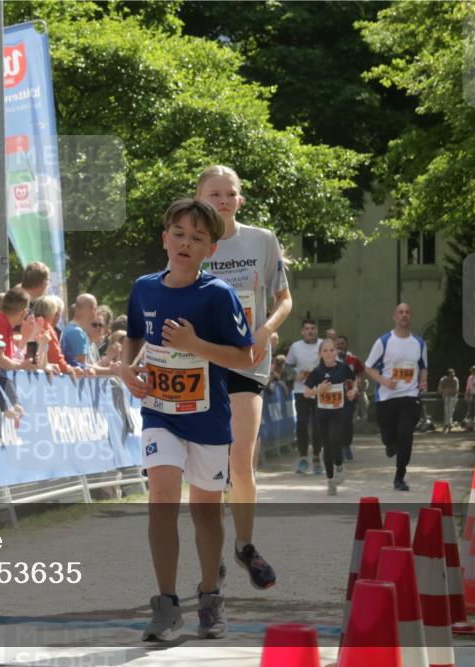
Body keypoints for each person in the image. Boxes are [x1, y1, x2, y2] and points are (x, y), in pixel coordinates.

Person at [120, 198, 254, 641]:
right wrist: (127, 368)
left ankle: (211, 597)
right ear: (165, 239)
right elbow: (135, 334)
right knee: (161, 495)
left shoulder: (217, 295)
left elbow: (244, 356)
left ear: (209, 250)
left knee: (206, 513)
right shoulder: (144, 288)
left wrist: (196, 346)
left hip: (208, 420)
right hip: (160, 413)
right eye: (179, 233)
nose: (185, 243)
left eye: (197, 238)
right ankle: (165, 605)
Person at [194, 164, 291, 589]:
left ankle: (245, 545)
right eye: (214, 194)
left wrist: (266, 329)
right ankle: (211, 554)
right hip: (200, 363)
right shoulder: (190, 240)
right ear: (199, 199)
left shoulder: (262, 241)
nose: (222, 200)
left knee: (240, 461)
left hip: (248, 359)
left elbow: (285, 299)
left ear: (240, 200)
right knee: (207, 467)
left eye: (229, 193)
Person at [364, 303, 428, 491]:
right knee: (389, 437)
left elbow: (423, 367)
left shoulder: (419, 343)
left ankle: (399, 477)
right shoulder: (384, 341)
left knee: (405, 434)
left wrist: (423, 381)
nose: (404, 315)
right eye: (400, 312)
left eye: (408, 312)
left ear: (411, 317)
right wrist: (384, 381)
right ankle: (389, 443)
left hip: (410, 396)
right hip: (386, 398)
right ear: (394, 317)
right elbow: (368, 367)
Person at [303, 339, 358, 496]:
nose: (329, 353)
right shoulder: (317, 372)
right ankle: (330, 480)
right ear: (320, 354)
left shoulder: (343, 368)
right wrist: (318, 390)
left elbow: (354, 380)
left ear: (337, 352)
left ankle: (339, 465)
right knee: (326, 445)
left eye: (332, 350)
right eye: (325, 351)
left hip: (339, 411)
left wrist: (353, 390)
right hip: (322, 413)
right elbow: (306, 392)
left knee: (335, 439)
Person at [286, 319, 323, 474]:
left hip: (319, 391)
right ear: (302, 331)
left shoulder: (323, 344)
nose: (310, 331)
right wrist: (296, 374)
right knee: (301, 423)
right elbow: (288, 365)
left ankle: (316, 456)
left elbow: (332, 362)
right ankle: (302, 457)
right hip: (301, 390)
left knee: (317, 424)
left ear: (317, 330)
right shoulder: (296, 347)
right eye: (307, 329)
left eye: (312, 328)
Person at [0, 286, 38, 371]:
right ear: (24, 312)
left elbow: (7, 358)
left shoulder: (2, 321)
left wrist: (24, 363)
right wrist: (21, 365)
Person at [335, 335, 364, 461]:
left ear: (346, 345)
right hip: (335, 396)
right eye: (338, 343)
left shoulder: (353, 359)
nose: (340, 345)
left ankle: (346, 445)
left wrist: (359, 386)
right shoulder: (331, 359)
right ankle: (339, 447)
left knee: (346, 421)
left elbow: (360, 371)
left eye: (342, 343)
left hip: (349, 396)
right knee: (337, 421)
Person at [438, 368, 459, 432]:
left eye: (453, 375)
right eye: (451, 375)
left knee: (450, 410)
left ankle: (448, 424)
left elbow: (456, 390)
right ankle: (447, 424)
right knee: (446, 410)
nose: (452, 376)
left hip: (453, 396)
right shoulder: (443, 380)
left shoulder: (455, 380)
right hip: (446, 396)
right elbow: (439, 389)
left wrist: (448, 391)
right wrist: (445, 391)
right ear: (447, 375)